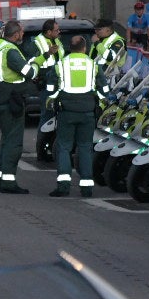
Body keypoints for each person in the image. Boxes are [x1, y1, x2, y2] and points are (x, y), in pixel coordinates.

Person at [0, 22, 38, 193]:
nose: (22, 34)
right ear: (15, 35)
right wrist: (36, 65)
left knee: (7, 140)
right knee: (14, 143)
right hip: (11, 99)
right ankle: (8, 182)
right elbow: (29, 72)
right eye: (22, 32)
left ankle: (1, 179)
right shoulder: (11, 51)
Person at [50, 33, 99, 198]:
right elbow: (103, 89)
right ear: (85, 48)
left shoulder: (60, 64)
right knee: (85, 147)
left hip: (67, 111)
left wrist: (53, 99)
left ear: (70, 48)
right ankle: (87, 188)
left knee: (64, 147)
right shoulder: (93, 64)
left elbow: (51, 89)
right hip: (87, 112)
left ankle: (63, 187)